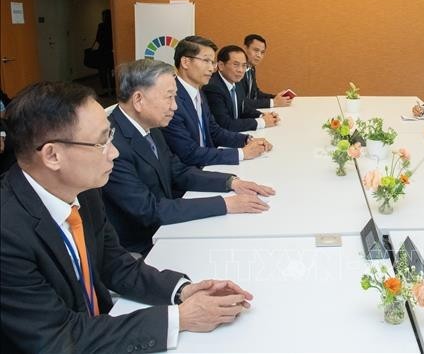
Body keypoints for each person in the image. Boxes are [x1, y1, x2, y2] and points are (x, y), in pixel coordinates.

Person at [1, 80, 254, 353]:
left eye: (110, 136)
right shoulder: (7, 231)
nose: (115, 152)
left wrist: (181, 291)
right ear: (52, 155)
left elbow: (116, 264)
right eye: (101, 143)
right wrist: (179, 319)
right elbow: (57, 336)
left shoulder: (83, 191)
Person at [103, 59, 274, 255]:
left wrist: (230, 182)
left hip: (168, 228)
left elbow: (177, 171)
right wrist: (224, 204)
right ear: (138, 100)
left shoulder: (149, 125)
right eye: (169, 97)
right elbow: (148, 210)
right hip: (143, 248)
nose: (175, 107)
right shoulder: (112, 146)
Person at [162, 36, 272, 167]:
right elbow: (189, 153)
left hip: (208, 164)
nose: (211, 68)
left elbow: (214, 131)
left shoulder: (198, 92)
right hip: (190, 175)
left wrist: (246, 140)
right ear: (185, 62)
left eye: (212, 62)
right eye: (206, 61)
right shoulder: (170, 99)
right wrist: (241, 153)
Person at [203, 45, 280, 132]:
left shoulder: (238, 82)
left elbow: (242, 108)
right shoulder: (213, 87)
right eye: (236, 65)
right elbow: (225, 124)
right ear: (221, 65)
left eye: (244, 66)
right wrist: (261, 122)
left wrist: (262, 116)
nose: (240, 70)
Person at [239, 34, 293, 109]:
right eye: (256, 50)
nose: (259, 55)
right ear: (245, 48)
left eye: (262, 52)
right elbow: (241, 102)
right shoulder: (237, 72)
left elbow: (255, 94)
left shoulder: (251, 68)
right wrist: (273, 102)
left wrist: (276, 97)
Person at [92, 9, 114, 96]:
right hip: (112, 51)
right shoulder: (113, 25)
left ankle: (106, 89)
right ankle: (113, 87)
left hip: (103, 52)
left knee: (103, 71)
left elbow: (98, 39)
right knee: (112, 70)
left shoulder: (101, 26)